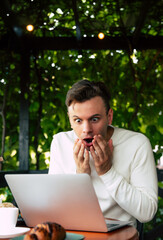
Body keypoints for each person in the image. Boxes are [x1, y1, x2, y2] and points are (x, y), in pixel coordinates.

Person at [49, 79, 158, 228]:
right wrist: (81, 177)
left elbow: (147, 213)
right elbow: (54, 210)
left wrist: (107, 171)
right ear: (70, 120)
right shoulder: (60, 142)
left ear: (109, 116)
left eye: (94, 119)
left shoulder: (137, 144)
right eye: (78, 120)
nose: (86, 129)